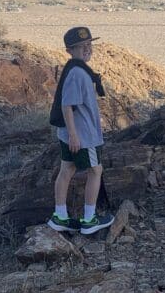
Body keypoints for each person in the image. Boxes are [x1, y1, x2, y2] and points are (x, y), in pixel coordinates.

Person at [48, 26, 115, 234]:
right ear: (70, 50)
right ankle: (89, 220)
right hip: (84, 136)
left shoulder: (75, 69)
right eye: (81, 46)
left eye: (89, 45)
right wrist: (75, 136)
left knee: (67, 169)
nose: (87, 49)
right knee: (95, 171)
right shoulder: (77, 73)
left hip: (71, 134)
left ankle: (60, 216)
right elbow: (67, 105)